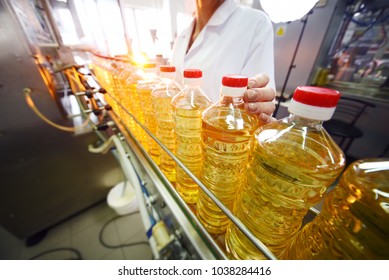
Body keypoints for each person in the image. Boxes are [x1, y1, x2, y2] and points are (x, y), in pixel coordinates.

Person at [171, 0, 276, 123]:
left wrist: (257, 105)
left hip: (218, 137)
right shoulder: (183, 35)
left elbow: (255, 113)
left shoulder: (254, 23)